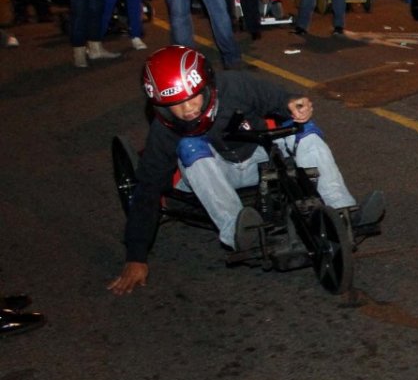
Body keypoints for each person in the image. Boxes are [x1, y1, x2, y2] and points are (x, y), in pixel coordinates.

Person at [107, 45, 384, 295]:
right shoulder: (163, 132)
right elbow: (146, 191)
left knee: (305, 130)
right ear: (161, 107)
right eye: (175, 105)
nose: (187, 109)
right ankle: (238, 230)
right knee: (189, 145)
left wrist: (295, 105)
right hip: (211, 172)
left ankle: (342, 210)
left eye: (193, 98)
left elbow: (280, 99)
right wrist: (136, 256)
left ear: (206, 87)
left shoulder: (234, 86)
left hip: (254, 158)